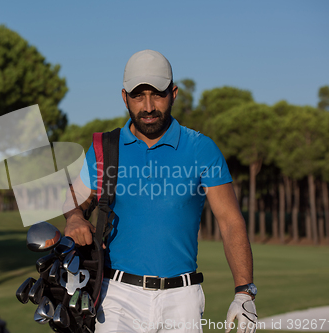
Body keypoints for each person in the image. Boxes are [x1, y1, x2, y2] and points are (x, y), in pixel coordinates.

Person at [63, 50, 257, 333]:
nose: (148, 106)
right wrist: (74, 217)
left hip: (183, 299)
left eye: (157, 95)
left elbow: (230, 222)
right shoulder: (105, 149)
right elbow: (74, 199)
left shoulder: (201, 148)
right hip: (117, 296)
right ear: (124, 97)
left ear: (174, 93)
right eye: (138, 96)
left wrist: (244, 292)